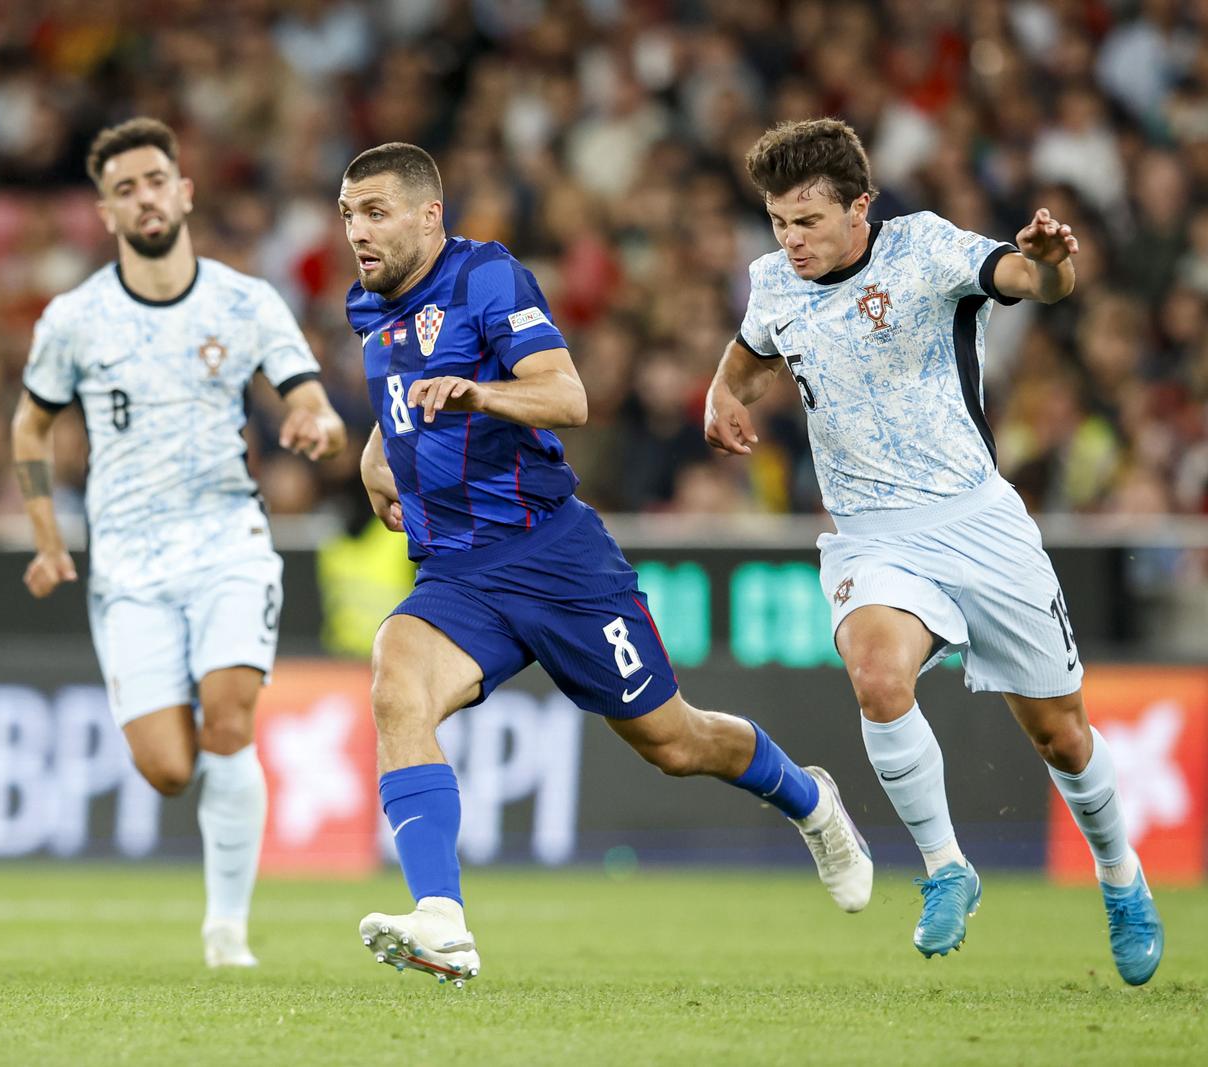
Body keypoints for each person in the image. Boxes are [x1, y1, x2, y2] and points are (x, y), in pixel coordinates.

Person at [337, 142, 874, 987]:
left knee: (674, 740)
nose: (356, 232)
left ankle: (810, 799)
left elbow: (567, 395)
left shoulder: (488, 277)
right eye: (347, 216)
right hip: (457, 573)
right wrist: (378, 454)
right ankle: (441, 918)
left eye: (374, 212)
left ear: (427, 214)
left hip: (554, 556)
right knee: (396, 685)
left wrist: (479, 393)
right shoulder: (367, 307)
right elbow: (403, 394)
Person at [704, 118, 1164, 984]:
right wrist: (720, 393)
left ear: (860, 208)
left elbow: (1034, 280)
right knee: (877, 676)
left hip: (978, 522)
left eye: (807, 222)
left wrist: (1053, 258)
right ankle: (948, 867)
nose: (790, 241)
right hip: (871, 536)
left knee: (1062, 736)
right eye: (777, 223)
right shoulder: (773, 282)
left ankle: (1120, 875)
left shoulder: (926, 249)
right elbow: (752, 351)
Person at [10, 117, 346, 968]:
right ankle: (217, 846)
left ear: (184, 192)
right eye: (124, 189)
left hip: (228, 535)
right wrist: (49, 534)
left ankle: (226, 931)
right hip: (126, 559)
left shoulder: (244, 299)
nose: (144, 196)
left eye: (155, 179)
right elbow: (30, 423)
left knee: (229, 722)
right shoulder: (74, 318)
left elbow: (306, 393)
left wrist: (316, 418)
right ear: (105, 213)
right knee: (166, 766)